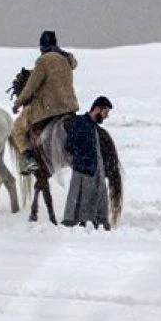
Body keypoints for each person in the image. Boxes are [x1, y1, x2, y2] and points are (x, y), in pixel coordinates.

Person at [12, 30, 79, 174]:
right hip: (69, 106)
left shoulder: (43, 61)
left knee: (17, 128)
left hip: (49, 108)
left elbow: (31, 86)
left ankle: (29, 160)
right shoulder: (66, 59)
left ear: (42, 46)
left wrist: (18, 103)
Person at [61, 96, 114, 229]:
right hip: (83, 172)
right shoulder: (81, 123)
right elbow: (69, 145)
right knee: (80, 203)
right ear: (96, 109)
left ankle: (98, 224)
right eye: (105, 112)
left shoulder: (93, 127)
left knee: (99, 200)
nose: (106, 116)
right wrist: (83, 160)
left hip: (96, 171)